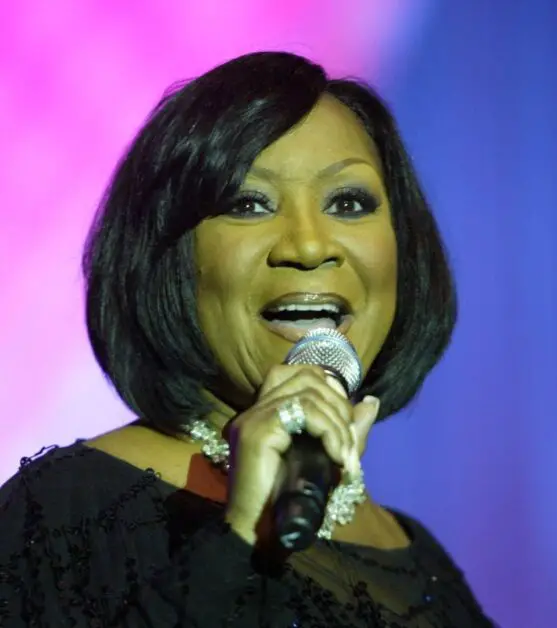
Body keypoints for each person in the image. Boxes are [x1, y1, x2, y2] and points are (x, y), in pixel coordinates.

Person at [0, 51, 495, 627]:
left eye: (348, 202)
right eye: (248, 203)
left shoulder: (421, 557)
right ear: (169, 259)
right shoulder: (71, 509)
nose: (309, 247)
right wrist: (239, 536)